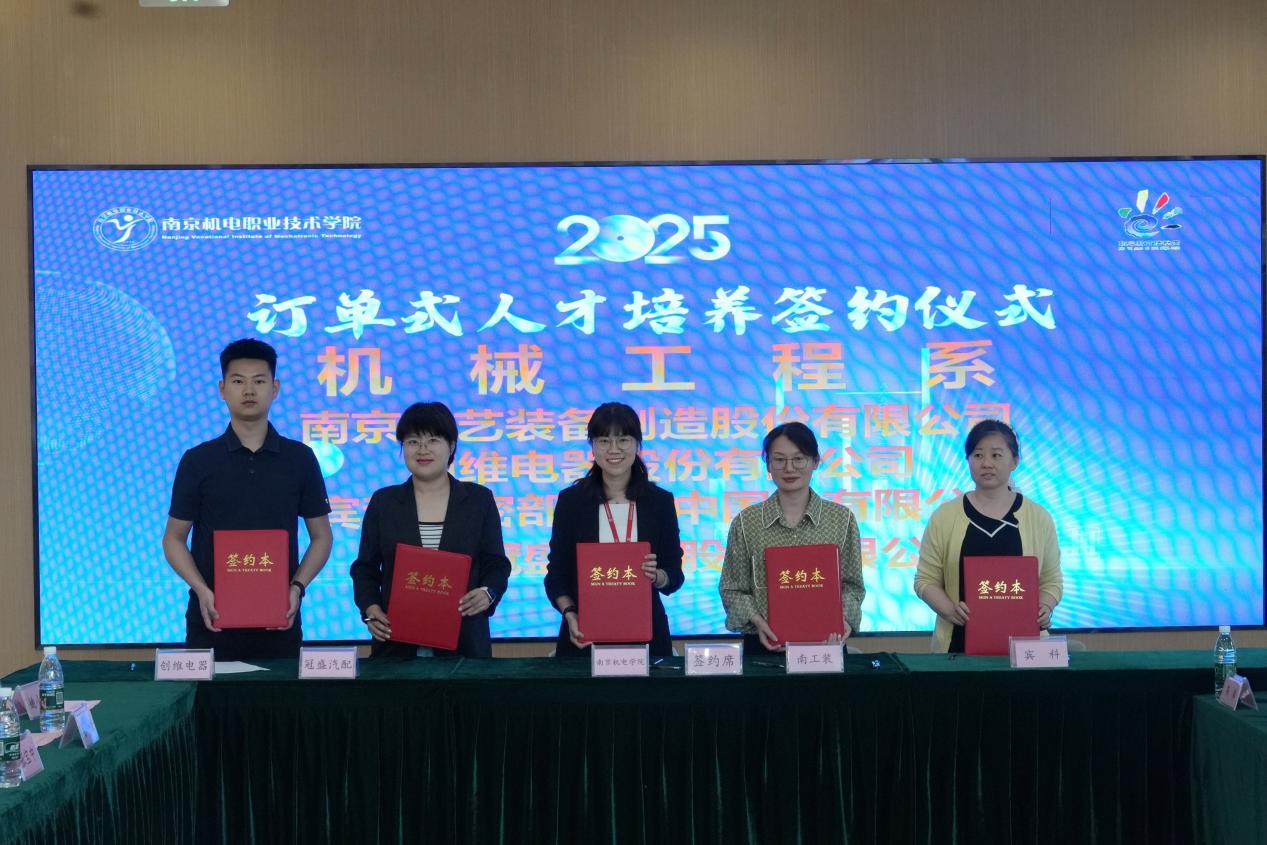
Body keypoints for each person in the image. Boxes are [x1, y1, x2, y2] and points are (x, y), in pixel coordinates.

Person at [162, 338, 333, 660]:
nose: (249, 391)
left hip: (280, 620)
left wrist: (296, 588)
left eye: (259, 381)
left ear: (275, 388)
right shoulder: (198, 460)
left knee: (278, 694)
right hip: (210, 620)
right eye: (239, 381)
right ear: (222, 389)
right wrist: (201, 589)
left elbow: (322, 537)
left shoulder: (299, 458)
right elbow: (173, 538)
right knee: (210, 695)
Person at [350, 402, 511, 659]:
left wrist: (488, 593)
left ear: (452, 446)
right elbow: (365, 568)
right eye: (413, 441)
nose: (422, 449)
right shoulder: (384, 502)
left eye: (433, 440)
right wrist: (371, 608)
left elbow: (497, 563)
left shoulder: (479, 500)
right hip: (396, 642)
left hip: (464, 643)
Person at [544, 402, 684, 657]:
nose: (614, 449)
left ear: (637, 444)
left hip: (647, 636)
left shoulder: (659, 502)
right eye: (604, 441)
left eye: (623, 440)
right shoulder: (572, 502)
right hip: (584, 636)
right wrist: (570, 614)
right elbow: (556, 575)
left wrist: (657, 576)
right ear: (592, 446)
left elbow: (674, 574)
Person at [914, 419, 1063, 653]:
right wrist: (949, 610)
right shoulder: (944, 516)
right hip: (956, 647)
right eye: (978, 455)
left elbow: (1051, 581)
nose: (986, 464)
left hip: (1026, 650)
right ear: (968, 460)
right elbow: (925, 580)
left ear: (1014, 461)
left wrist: (1044, 606)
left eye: (996, 455)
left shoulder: (1038, 517)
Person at [719, 421, 865, 653]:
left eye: (799, 459)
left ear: (815, 461)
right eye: (779, 459)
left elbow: (853, 586)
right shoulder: (746, 522)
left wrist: (843, 621)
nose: (789, 468)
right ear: (768, 464)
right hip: (764, 646)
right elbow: (732, 588)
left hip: (827, 645)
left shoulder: (841, 519)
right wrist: (757, 621)